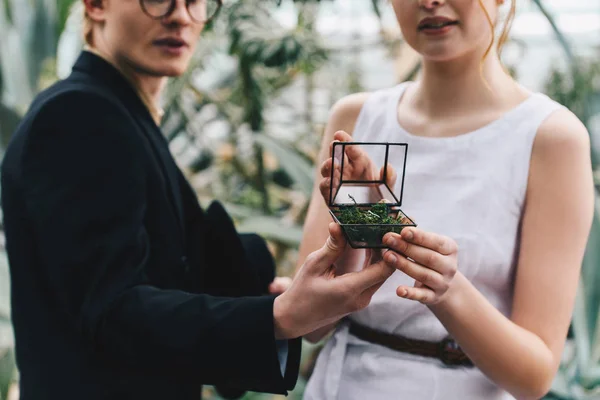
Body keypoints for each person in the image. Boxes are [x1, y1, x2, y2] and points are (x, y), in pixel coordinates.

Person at [0, 1, 397, 399]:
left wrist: (356, 228)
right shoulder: (79, 115)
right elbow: (111, 312)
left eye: (195, 1)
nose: (181, 16)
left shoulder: (122, 116)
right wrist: (279, 315)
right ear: (96, 5)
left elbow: (171, 275)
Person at [296, 0, 595, 399]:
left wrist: (449, 292)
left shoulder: (550, 137)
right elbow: (310, 326)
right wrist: (357, 230)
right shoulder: (356, 118)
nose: (429, 1)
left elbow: (534, 376)